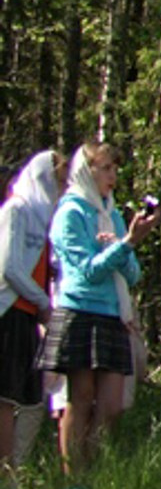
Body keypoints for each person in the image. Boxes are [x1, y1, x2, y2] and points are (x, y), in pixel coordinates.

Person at [41, 144, 161, 469]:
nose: (113, 176)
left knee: (111, 406)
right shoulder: (71, 213)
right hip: (79, 312)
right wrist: (125, 245)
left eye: (115, 169)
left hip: (112, 315)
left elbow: (132, 273)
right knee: (79, 401)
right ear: (86, 171)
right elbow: (88, 272)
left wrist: (130, 243)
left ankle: (93, 474)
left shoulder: (113, 214)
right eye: (106, 168)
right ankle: (72, 482)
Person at [2, 150, 58, 467]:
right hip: (8, 312)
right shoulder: (17, 209)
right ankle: (4, 476)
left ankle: (15, 472)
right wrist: (42, 301)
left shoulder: (43, 219)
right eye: (57, 180)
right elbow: (9, 267)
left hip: (28, 315)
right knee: (6, 398)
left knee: (30, 397)